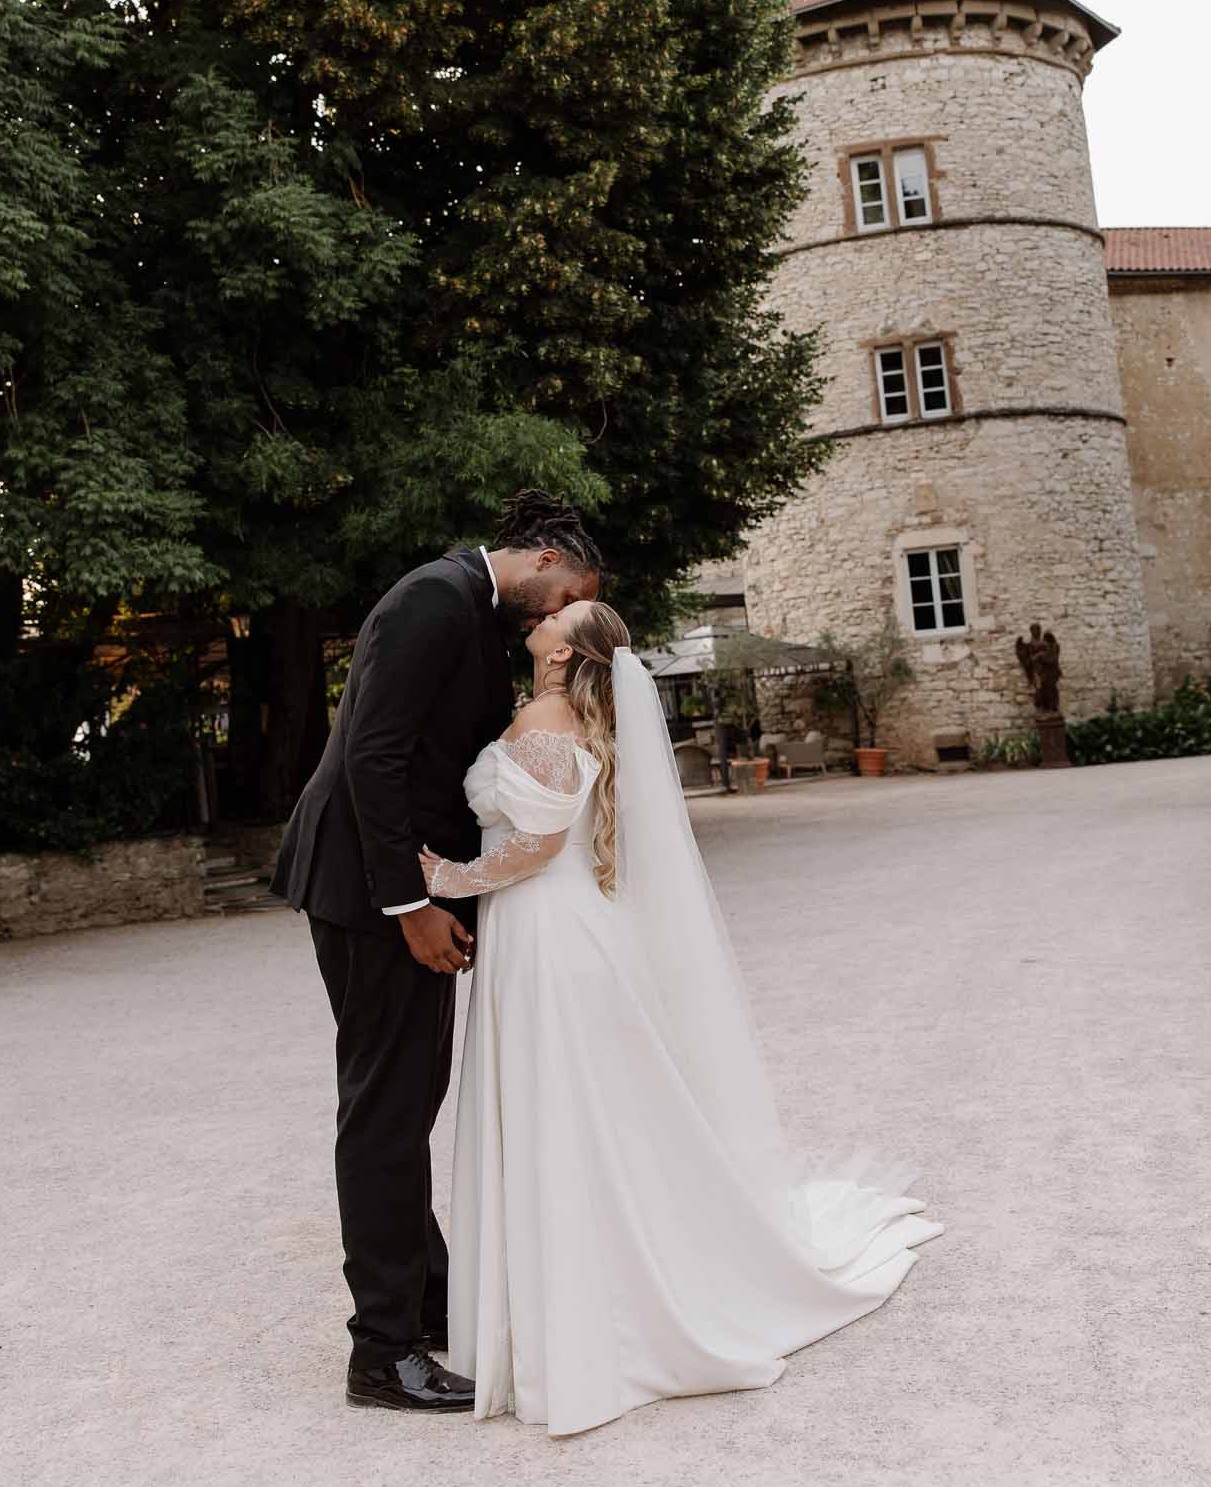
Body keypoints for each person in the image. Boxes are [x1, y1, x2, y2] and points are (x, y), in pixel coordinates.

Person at [420, 603, 945, 1437]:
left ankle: (586, 1316)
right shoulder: (562, 715)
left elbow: (538, 846)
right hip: (545, 930)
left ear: (563, 656)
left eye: (564, 615)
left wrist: (440, 879)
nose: (548, 612)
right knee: (575, 1115)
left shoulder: (546, 716)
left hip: (547, 932)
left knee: (561, 1112)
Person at [270, 492, 602, 1413]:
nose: (554, 615)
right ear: (543, 554)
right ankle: (381, 1353)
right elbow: (371, 756)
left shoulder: (469, 606)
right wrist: (412, 901)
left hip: (388, 884)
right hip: (369, 892)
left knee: (408, 1094)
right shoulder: (432, 597)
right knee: (385, 1107)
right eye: (565, 592)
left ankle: (427, 1300)